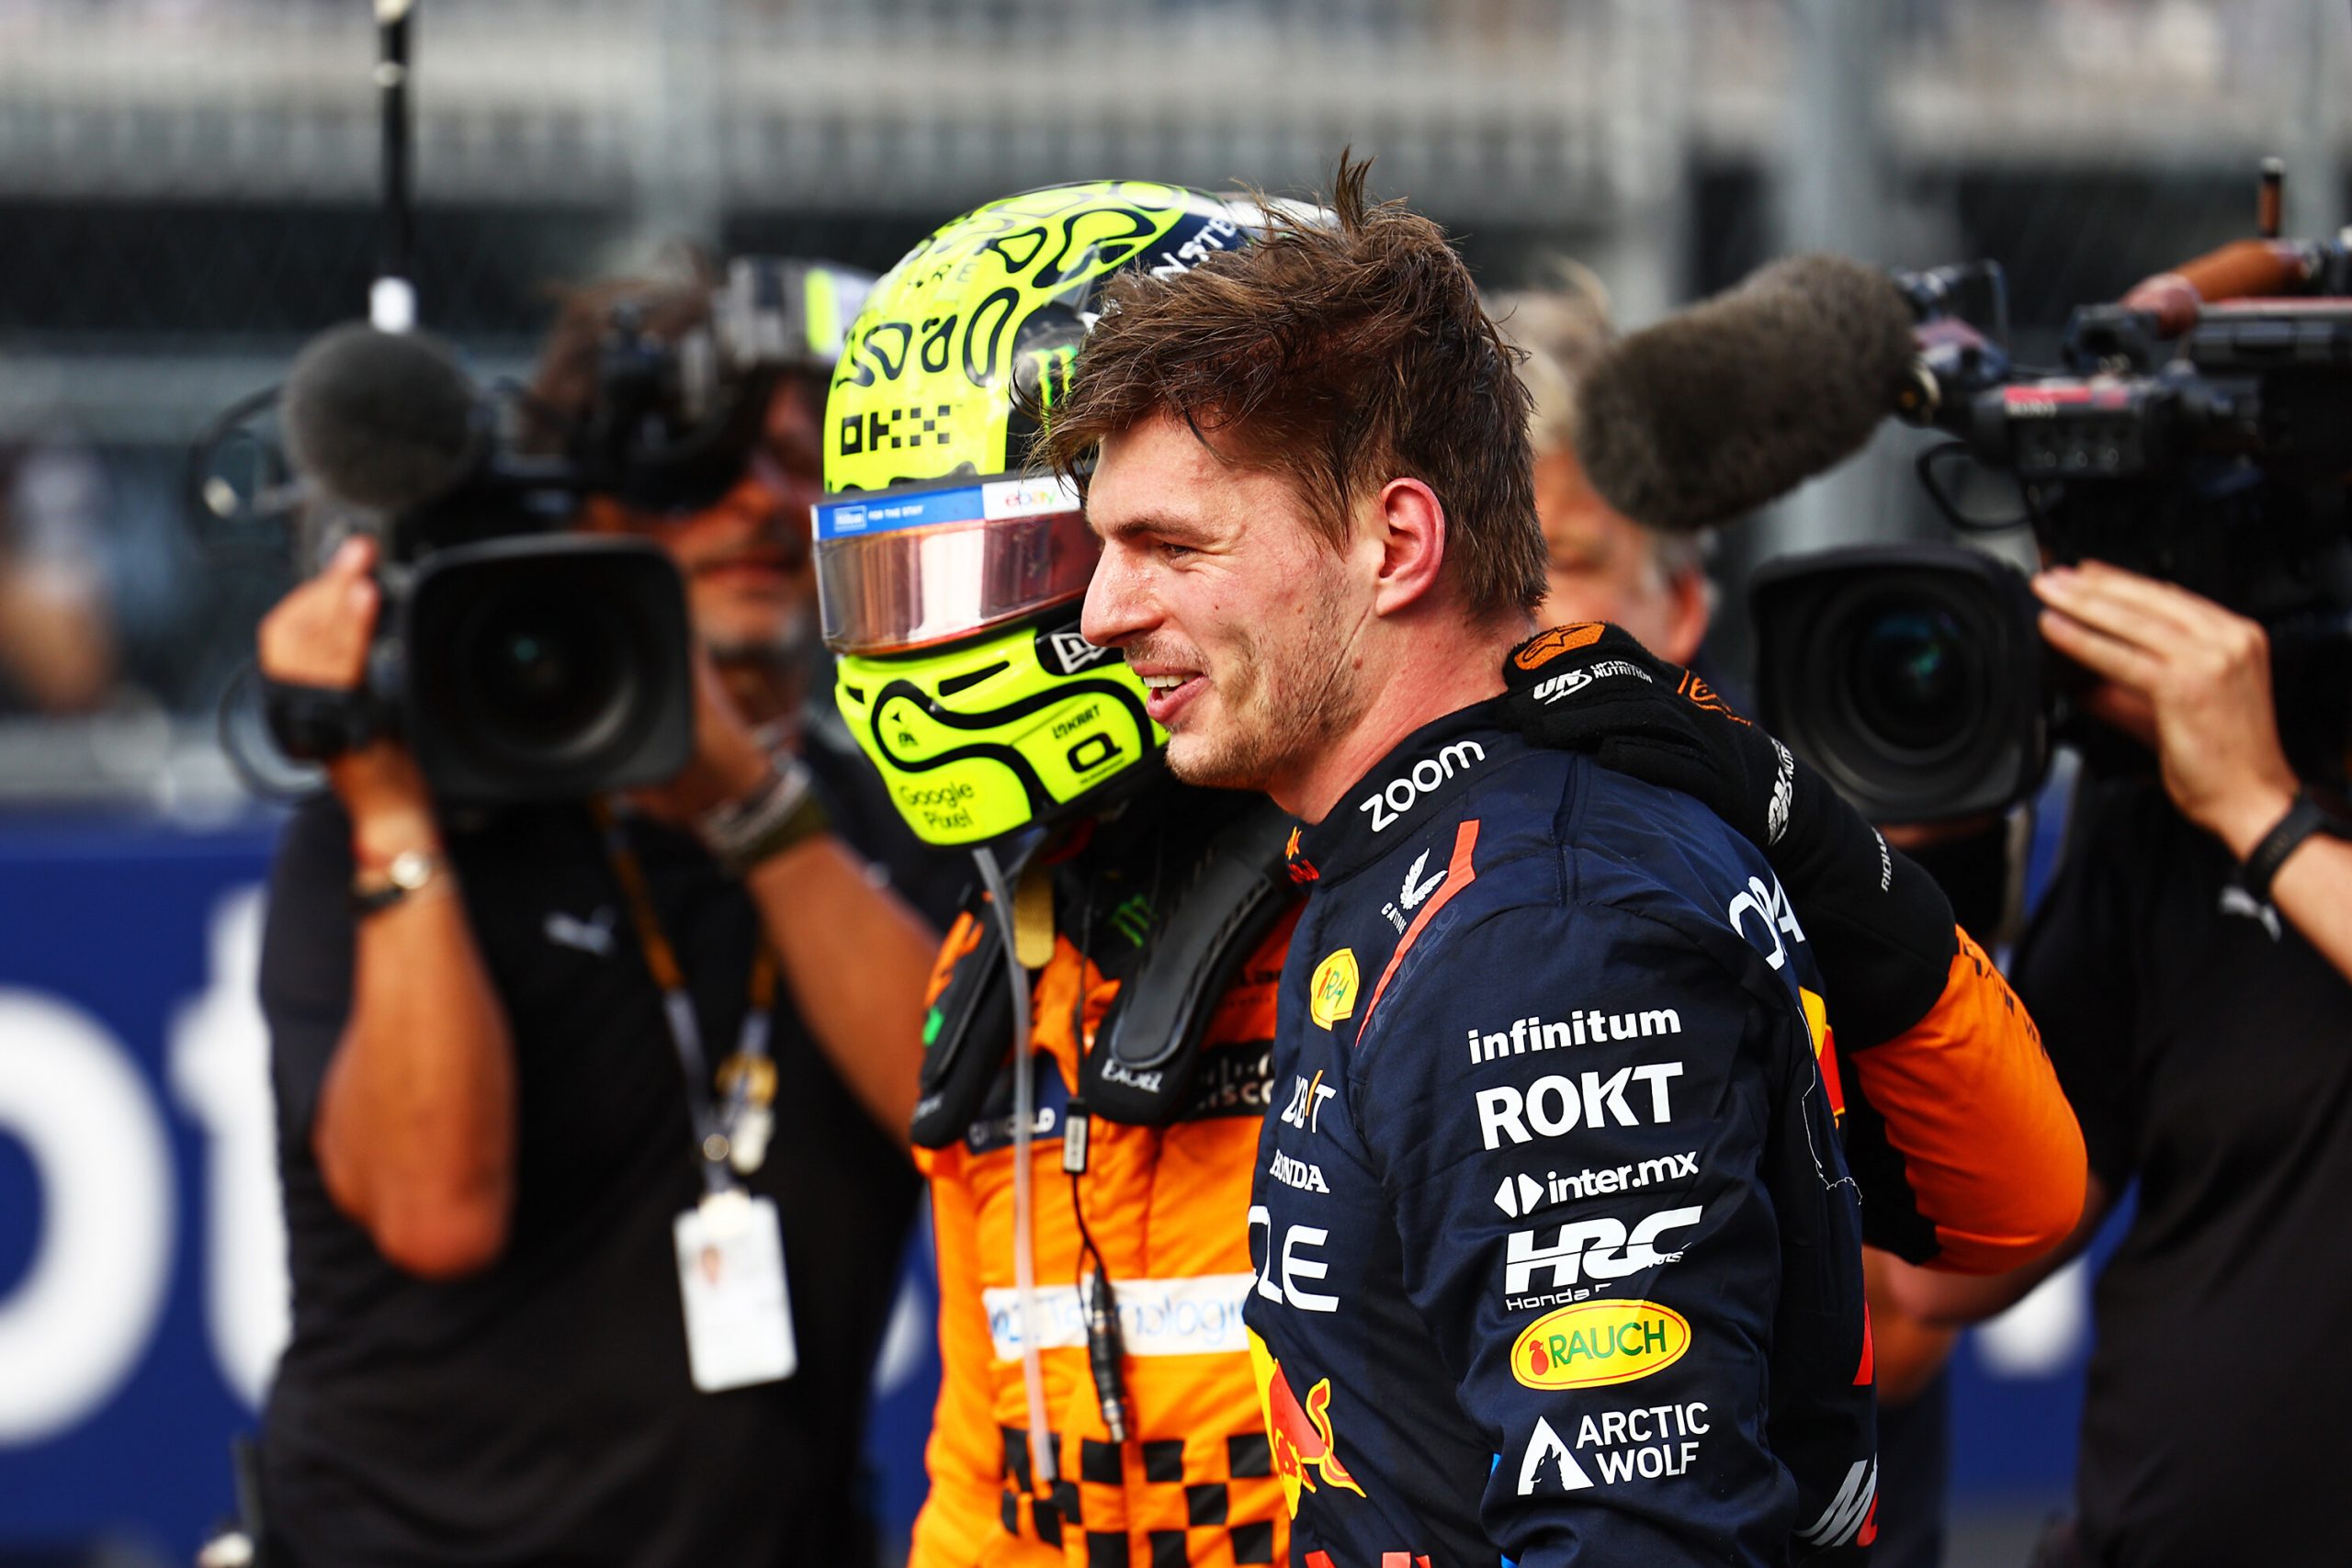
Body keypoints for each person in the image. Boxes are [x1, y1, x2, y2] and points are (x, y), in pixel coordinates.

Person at [1054, 163, 2085, 1564]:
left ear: (1396, 543)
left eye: (1169, 544)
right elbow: (2028, 1203)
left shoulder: (1536, 921)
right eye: (1105, 546)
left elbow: (1640, 1533)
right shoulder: (1411, 851)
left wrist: (1801, 822)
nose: (1104, 609)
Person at [252, 262, 947, 1566]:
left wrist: (751, 808)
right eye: (700, 464)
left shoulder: (897, 811)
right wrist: (391, 813)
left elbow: (974, 1117)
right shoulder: (409, 813)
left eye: (805, 460)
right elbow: (434, 1208)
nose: (762, 499)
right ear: (579, 501)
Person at [1499, 274, 1964, 1568]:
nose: (1517, 616)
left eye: (1568, 562)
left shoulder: (1809, 848)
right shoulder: (1365, 864)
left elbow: (1905, 1319)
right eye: (1491, 564)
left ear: (1683, 607)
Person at [1890, 559, 2352, 1568]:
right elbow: (1938, 1275)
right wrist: (1921, 890)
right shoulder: (2163, 817)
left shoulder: (2238, 802)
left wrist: (2262, 813)